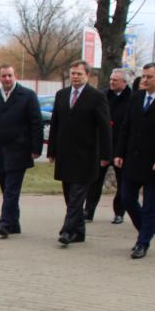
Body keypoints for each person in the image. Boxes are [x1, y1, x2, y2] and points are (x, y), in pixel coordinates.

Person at [113, 62, 155, 259]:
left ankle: (142, 242)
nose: (145, 80)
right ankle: (147, 229)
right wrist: (119, 153)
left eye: (149, 77)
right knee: (127, 198)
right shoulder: (136, 98)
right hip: (133, 159)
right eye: (143, 76)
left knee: (152, 203)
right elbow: (126, 128)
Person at [47, 60, 112, 247]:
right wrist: (52, 151)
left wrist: (106, 155)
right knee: (69, 196)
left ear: (87, 76)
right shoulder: (62, 95)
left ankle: (67, 231)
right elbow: (55, 125)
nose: (75, 77)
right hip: (65, 155)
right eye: (73, 73)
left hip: (86, 156)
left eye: (79, 74)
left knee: (77, 197)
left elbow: (105, 127)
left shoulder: (96, 97)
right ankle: (79, 232)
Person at [0, 63, 44, 237]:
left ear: (15, 76)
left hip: (20, 150)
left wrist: (36, 148)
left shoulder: (28, 96)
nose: (7, 79)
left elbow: (36, 123)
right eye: (4, 76)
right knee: (6, 190)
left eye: (10, 75)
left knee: (11, 190)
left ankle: (5, 224)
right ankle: (14, 223)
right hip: (0, 151)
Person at [84, 68, 129, 223]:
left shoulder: (132, 98)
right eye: (110, 79)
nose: (111, 82)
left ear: (124, 82)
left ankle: (119, 212)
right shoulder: (102, 95)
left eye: (115, 80)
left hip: (121, 147)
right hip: (102, 145)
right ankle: (88, 210)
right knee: (95, 180)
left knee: (122, 181)